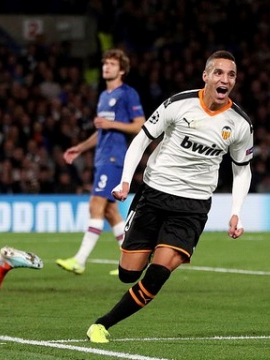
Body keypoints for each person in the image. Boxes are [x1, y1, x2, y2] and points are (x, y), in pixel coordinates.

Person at [86, 50, 253, 343]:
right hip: (154, 193)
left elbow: (242, 170)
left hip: (193, 205)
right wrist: (125, 182)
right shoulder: (179, 104)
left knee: (160, 272)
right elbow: (141, 140)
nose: (224, 79)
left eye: (231, 75)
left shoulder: (239, 125)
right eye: (218, 73)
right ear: (206, 76)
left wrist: (236, 211)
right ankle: (150, 246)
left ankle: (102, 324)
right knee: (128, 274)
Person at [56, 49, 145, 275]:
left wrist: (111, 125)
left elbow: (139, 125)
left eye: (112, 64)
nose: (106, 67)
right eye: (105, 63)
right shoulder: (104, 96)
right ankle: (131, 260)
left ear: (122, 70)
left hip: (115, 157)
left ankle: (80, 260)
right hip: (102, 156)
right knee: (110, 211)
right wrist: (80, 147)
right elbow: (101, 131)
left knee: (95, 205)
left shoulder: (128, 94)